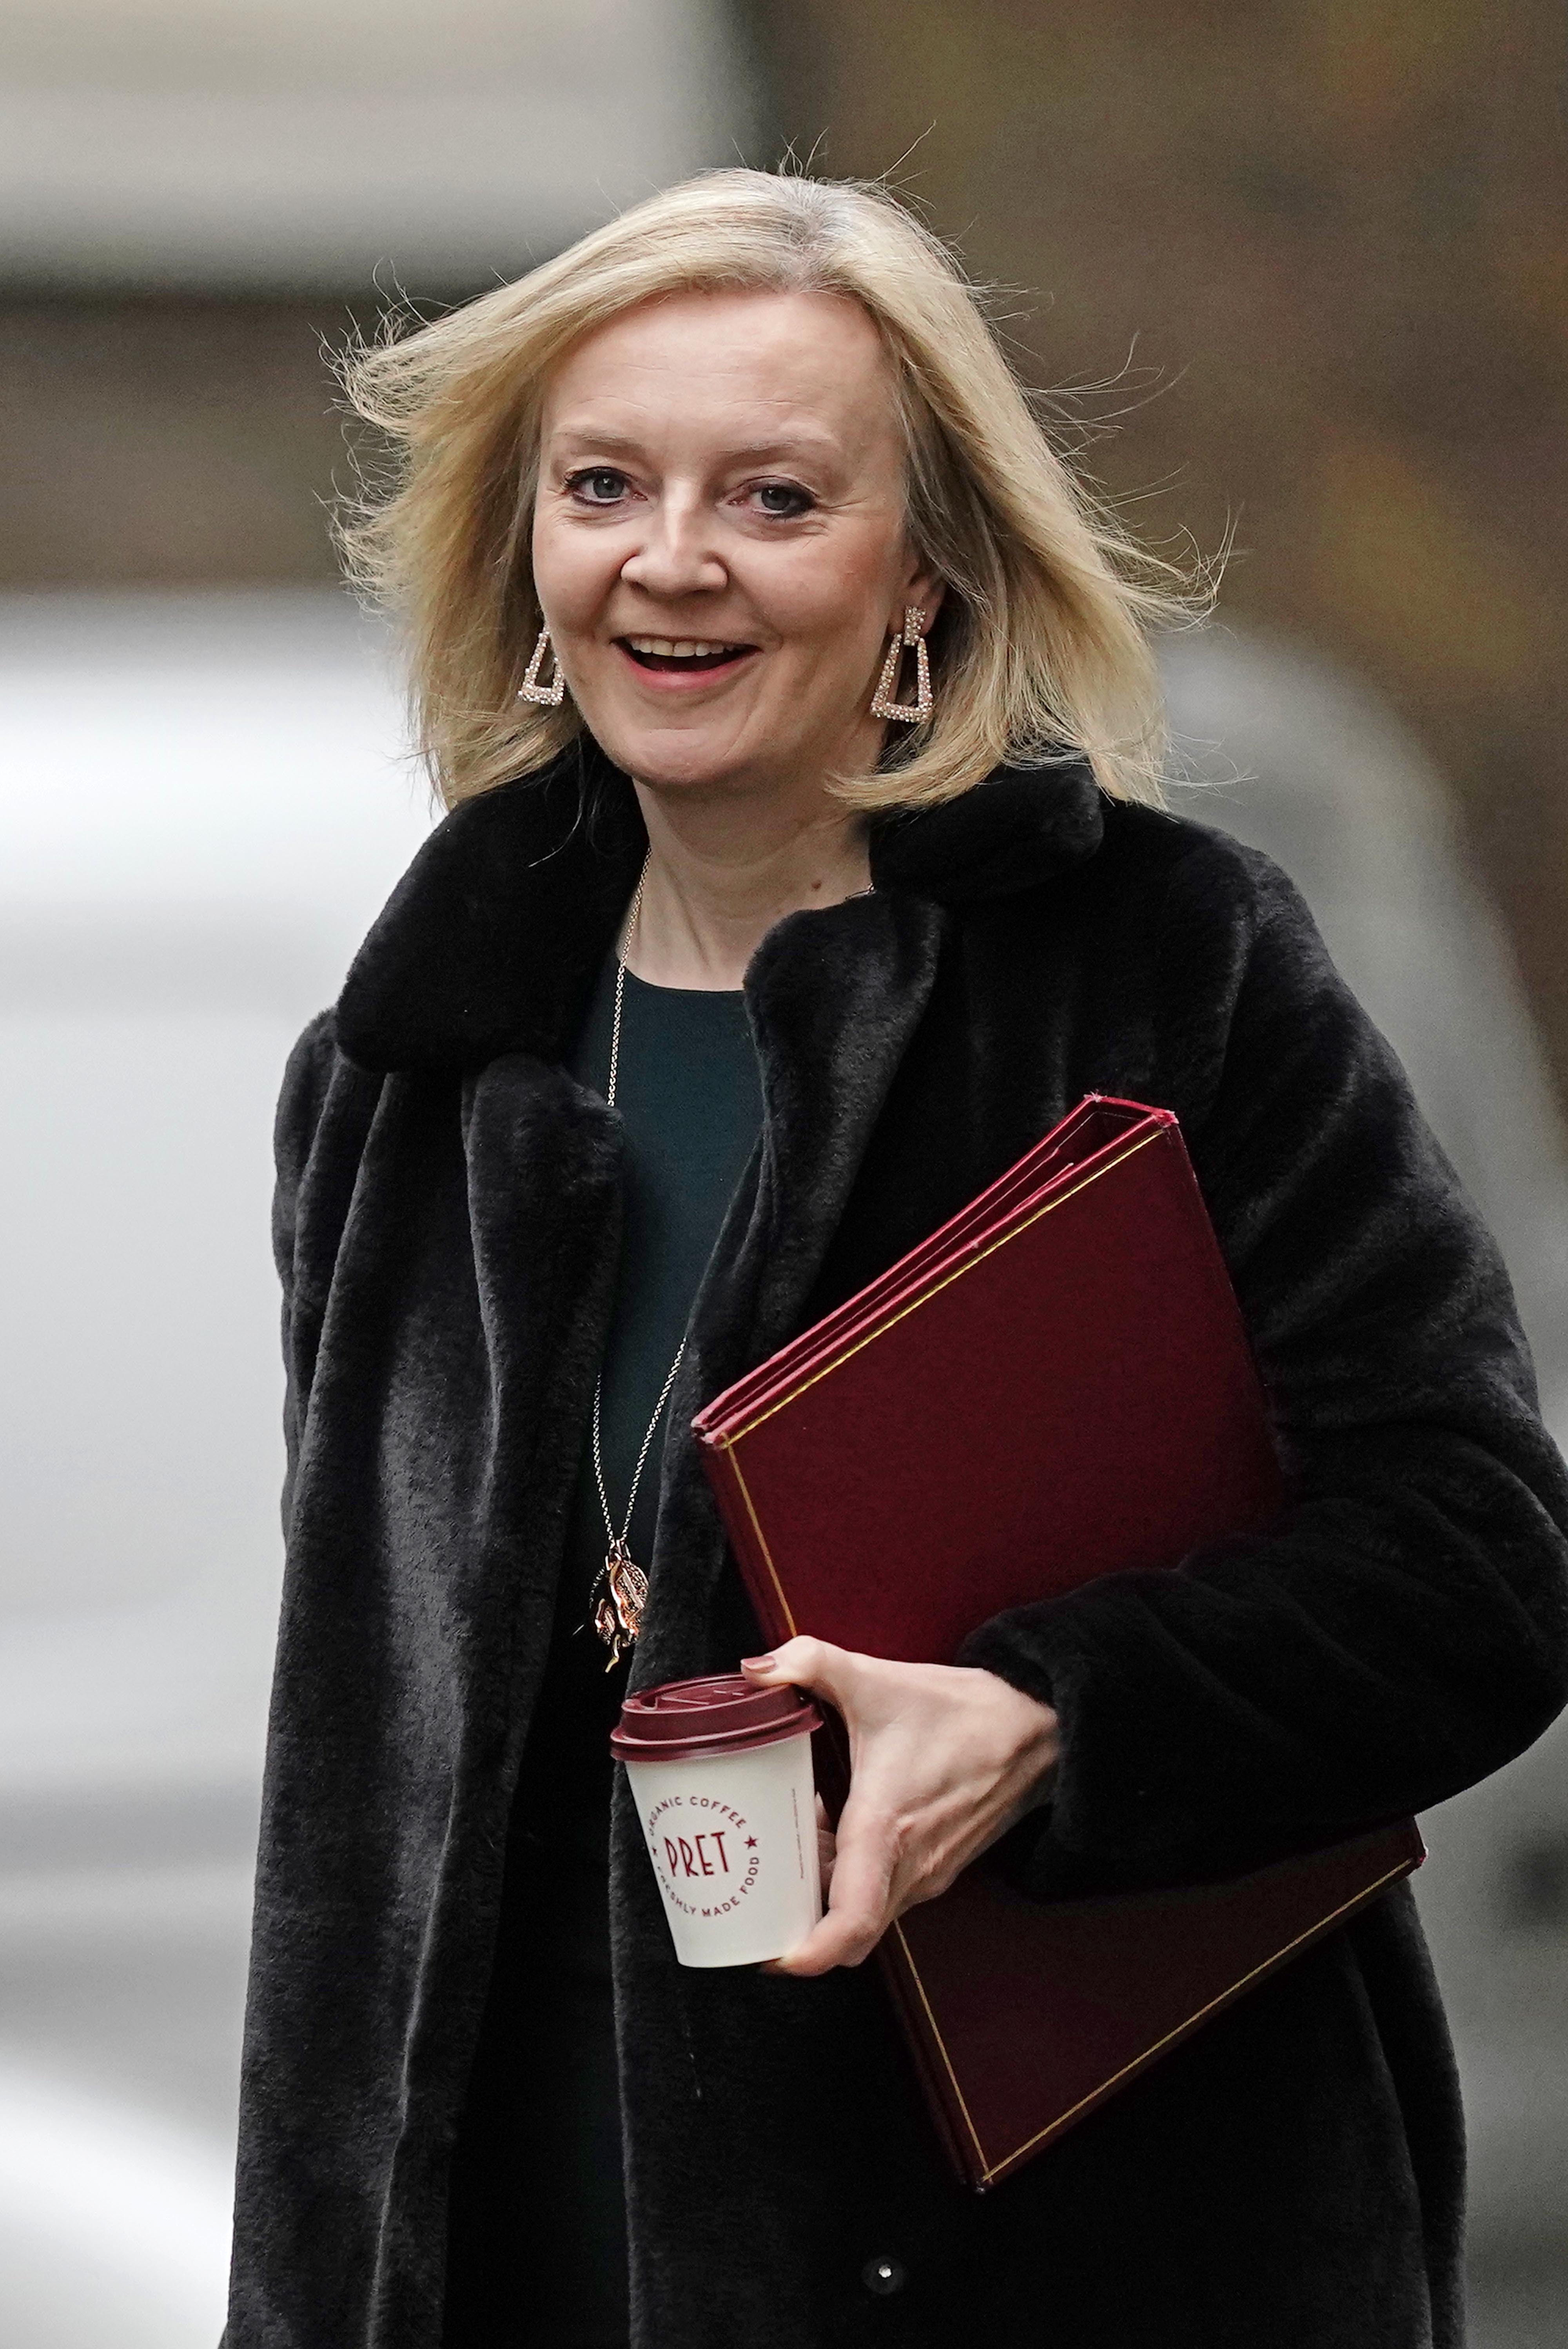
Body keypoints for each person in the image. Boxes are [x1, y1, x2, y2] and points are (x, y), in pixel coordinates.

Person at [223, 170, 1568, 2349]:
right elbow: (355, 1816)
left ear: (924, 572)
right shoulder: (403, 1073)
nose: (673, 558)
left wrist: (1054, 1709)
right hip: (525, 2266)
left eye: (773, 494)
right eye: (605, 485)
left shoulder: (1162, 971)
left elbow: (1482, 1566)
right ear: (528, 552)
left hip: (1081, 2261)